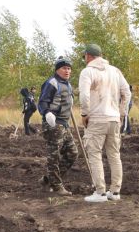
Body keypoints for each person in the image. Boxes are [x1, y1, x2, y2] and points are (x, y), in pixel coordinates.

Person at [79, 44, 131, 203]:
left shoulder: (87, 71)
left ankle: (100, 192)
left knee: (94, 154)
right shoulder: (115, 71)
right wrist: (122, 113)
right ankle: (115, 192)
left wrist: (84, 113)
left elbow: (84, 96)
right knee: (114, 155)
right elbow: (127, 92)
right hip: (114, 119)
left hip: (96, 119)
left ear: (88, 56)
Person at [37, 58, 77, 195]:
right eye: (64, 68)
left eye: (69, 68)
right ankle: (57, 186)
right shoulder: (51, 83)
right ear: (57, 70)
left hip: (65, 125)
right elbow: (42, 102)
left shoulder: (68, 84)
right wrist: (47, 113)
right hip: (53, 124)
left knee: (72, 153)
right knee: (53, 156)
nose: (67, 71)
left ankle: (48, 180)